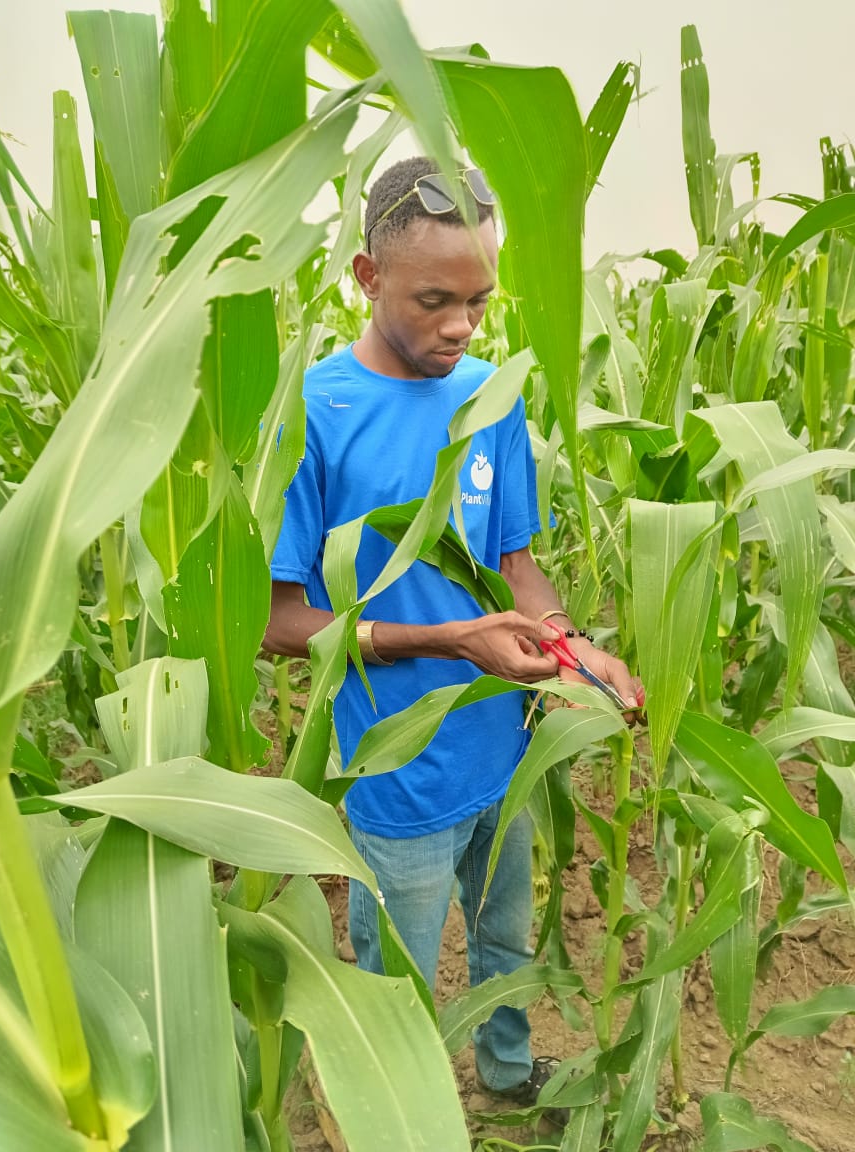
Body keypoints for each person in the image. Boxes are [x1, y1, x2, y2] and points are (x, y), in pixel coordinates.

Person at [264, 156, 642, 1110]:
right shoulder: (314, 413)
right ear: (365, 276)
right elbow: (277, 622)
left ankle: (508, 1079)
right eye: (436, 299)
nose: (463, 326)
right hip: (399, 771)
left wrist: (571, 647)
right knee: (395, 981)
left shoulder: (491, 395)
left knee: (505, 941)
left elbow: (515, 566)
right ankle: (400, 1113)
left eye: (479, 301)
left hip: (502, 746)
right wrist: (451, 641)